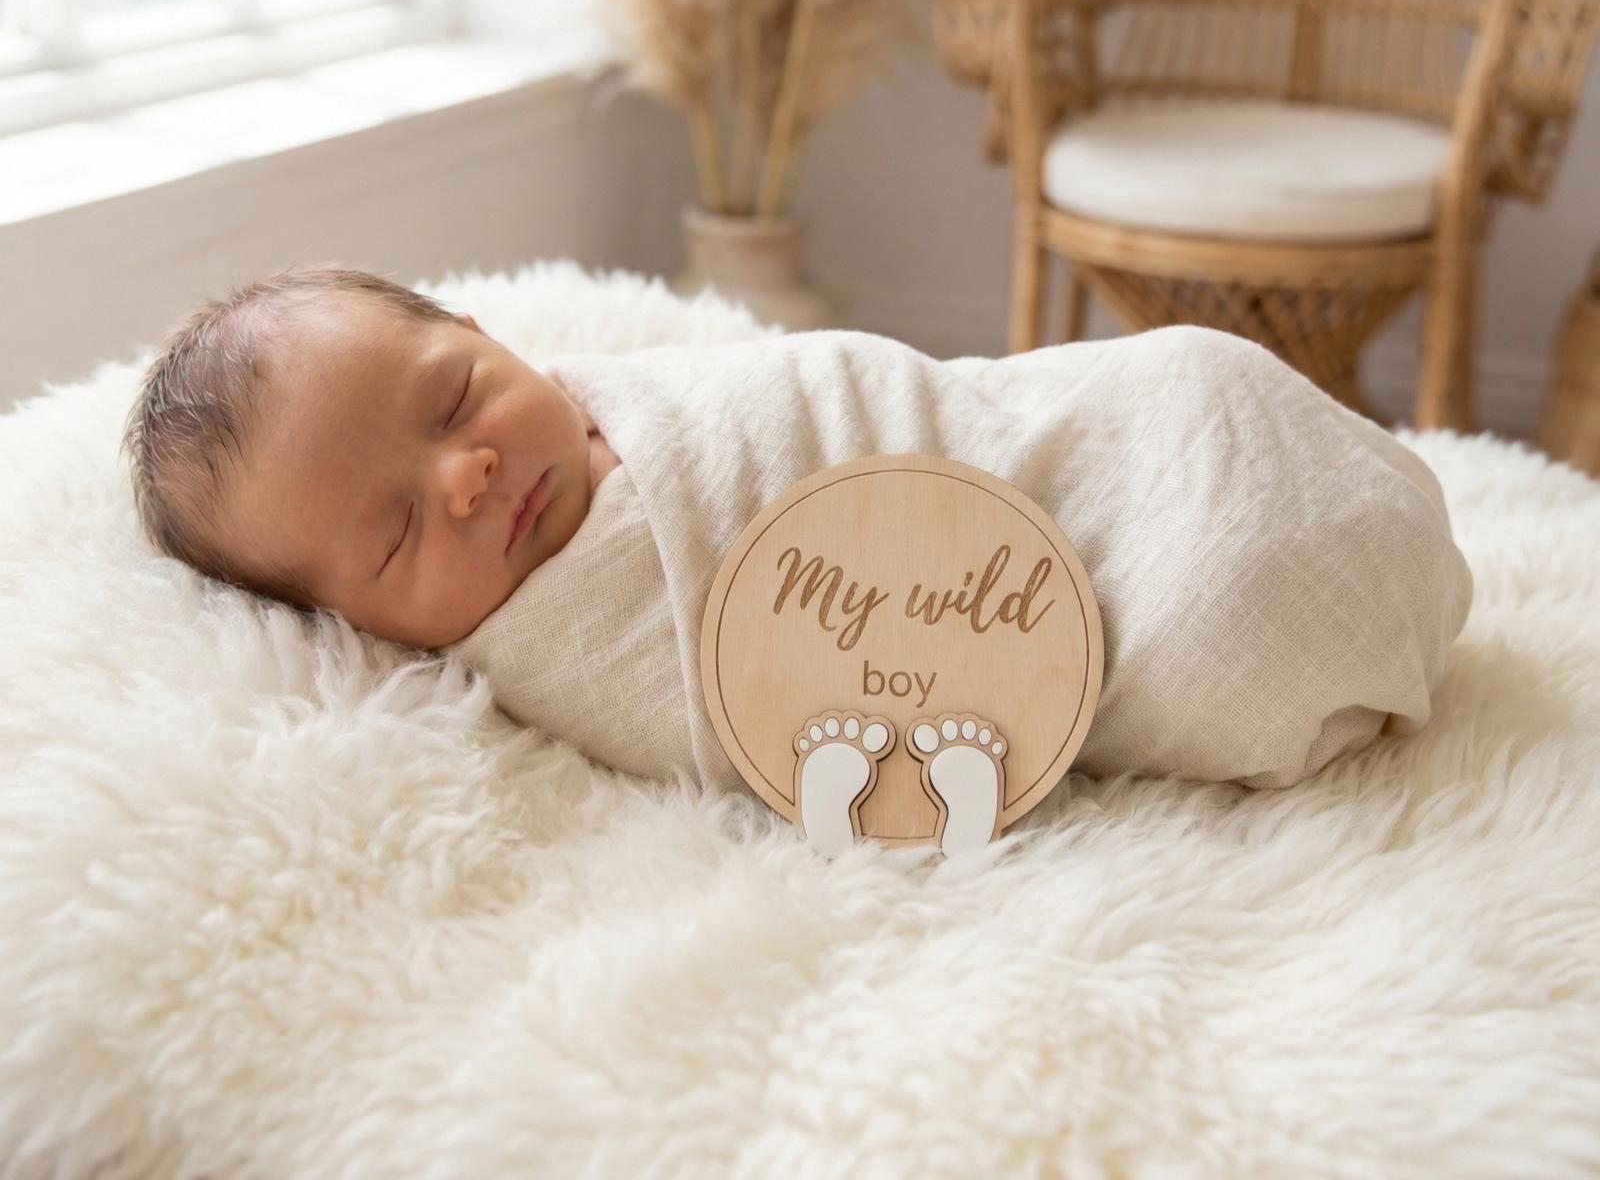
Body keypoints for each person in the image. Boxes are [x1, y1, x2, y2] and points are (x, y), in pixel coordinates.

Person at [124, 264, 1474, 825]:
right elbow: (733, 713)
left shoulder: (633, 398)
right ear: (357, 628)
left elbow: (873, 400)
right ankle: (1304, 600)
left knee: (1185, 382)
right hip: (1087, 598)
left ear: (487, 337)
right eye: (400, 530)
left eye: (454, 397)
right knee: (1221, 617)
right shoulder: (561, 642)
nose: (468, 475)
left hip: (1079, 432)